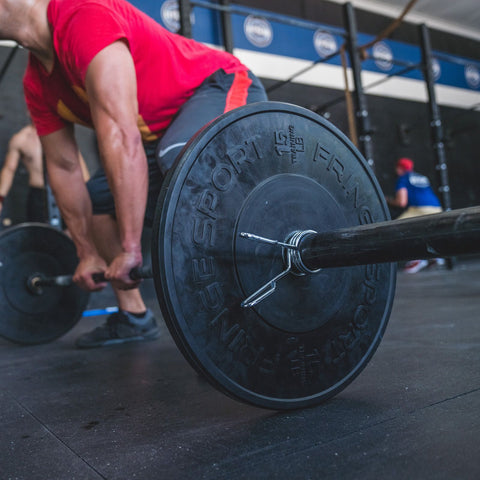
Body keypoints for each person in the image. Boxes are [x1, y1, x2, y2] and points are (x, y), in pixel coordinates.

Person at [0, 0, 268, 348]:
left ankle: (247, 308)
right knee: (98, 200)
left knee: (182, 157)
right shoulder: (37, 83)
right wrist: (86, 253)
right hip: (162, 136)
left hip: (221, 84)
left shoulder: (82, 15)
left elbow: (122, 135)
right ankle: (134, 316)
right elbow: (64, 167)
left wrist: (130, 248)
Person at [386, 157, 444, 273]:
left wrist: (386, 200)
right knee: (427, 231)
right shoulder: (421, 177)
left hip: (419, 209)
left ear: (399, 168)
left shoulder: (402, 178)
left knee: (394, 230)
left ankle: (417, 258)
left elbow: (401, 202)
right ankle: (435, 256)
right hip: (437, 208)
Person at [0, 124, 46, 222]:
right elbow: (9, 169)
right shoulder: (21, 139)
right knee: (37, 233)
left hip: (64, 191)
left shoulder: (61, 135)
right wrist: (1, 198)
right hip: (38, 195)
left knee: (70, 232)